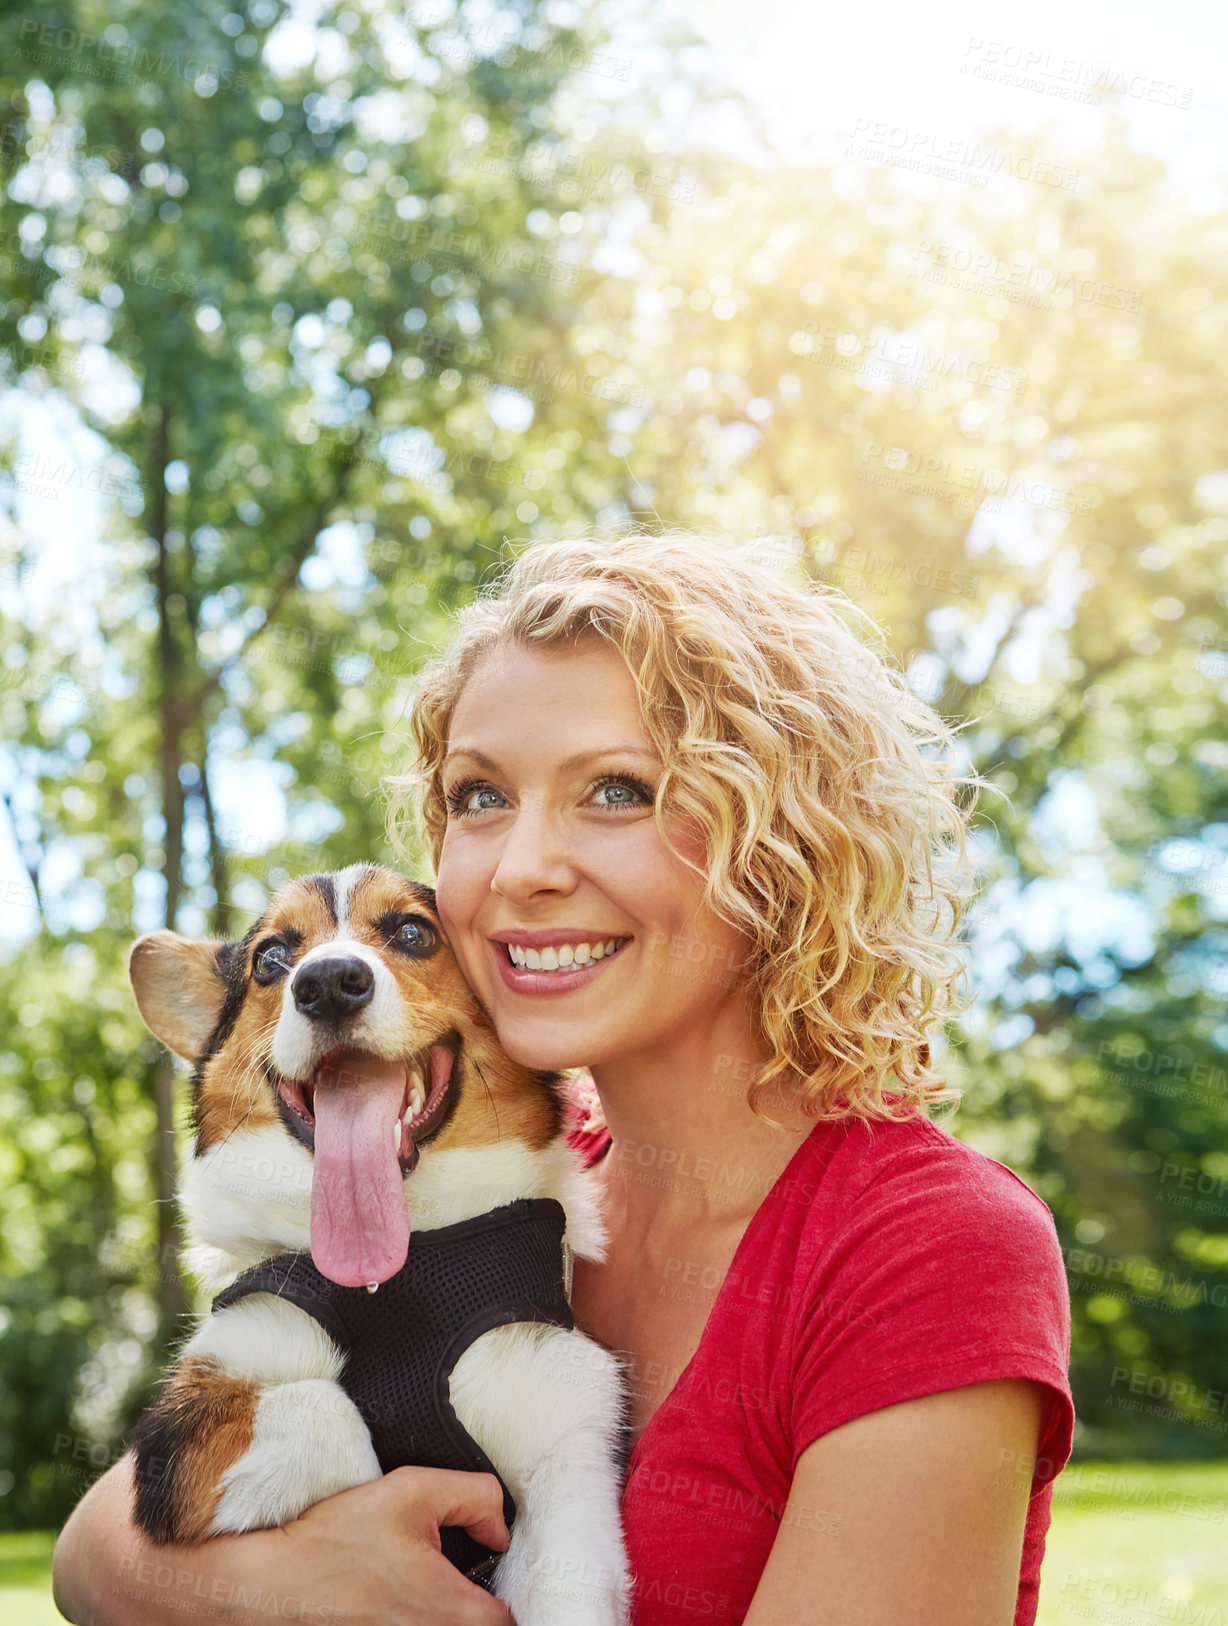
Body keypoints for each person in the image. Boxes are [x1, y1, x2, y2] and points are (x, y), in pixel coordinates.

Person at [53, 531, 1073, 1626]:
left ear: (780, 844)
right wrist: (296, 1587)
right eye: (480, 798)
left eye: (618, 791)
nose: (521, 868)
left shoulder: (926, 1247)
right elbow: (96, 1552)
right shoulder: (464, 1180)